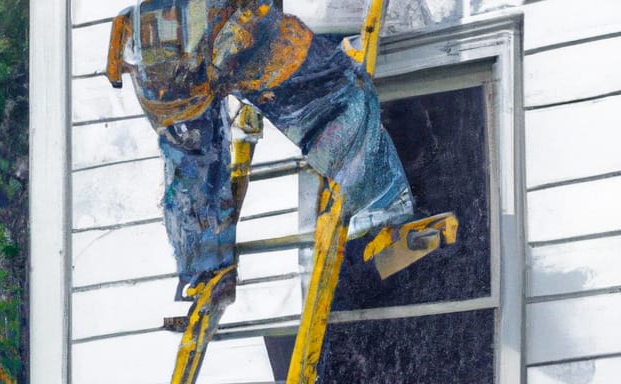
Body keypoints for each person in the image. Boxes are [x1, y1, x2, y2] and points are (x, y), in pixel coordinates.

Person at [110, 0, 414, 303]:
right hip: (226, 25)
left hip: (151, 46)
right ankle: (378, 203)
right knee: (332, 99)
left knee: (192, 166)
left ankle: (202, 269)